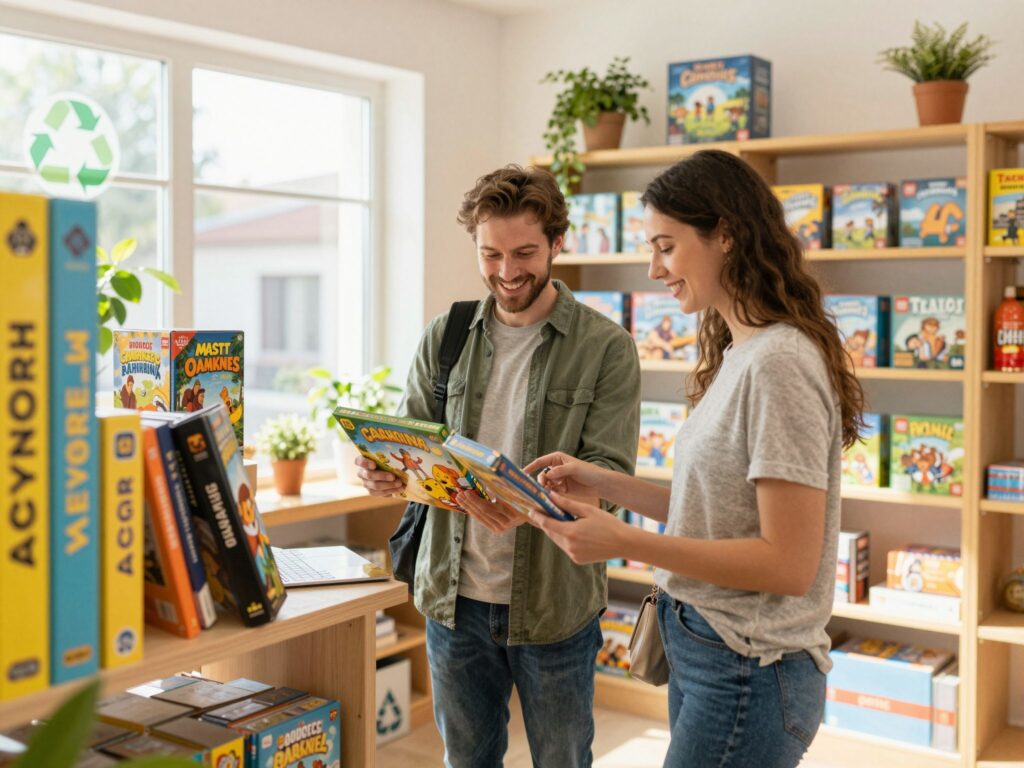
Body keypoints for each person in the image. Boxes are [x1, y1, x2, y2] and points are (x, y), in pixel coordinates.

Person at [526, 149, 865, 768]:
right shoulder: (743, 350)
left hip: (747, 666)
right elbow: (717, 510)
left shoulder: (778, 362)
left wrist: (624, 540)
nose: (653, 268)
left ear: (726, 237)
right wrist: (601, 481)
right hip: (708, 647)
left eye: (666, 246)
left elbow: (788, 563)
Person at [355, 164, 641, 768]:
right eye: (491, 254)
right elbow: (414, 443)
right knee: (466, 761)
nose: (507, 273)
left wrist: (528, 509)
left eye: (525, 253)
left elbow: (609, 486)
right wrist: (386, 472)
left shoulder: (606, 348)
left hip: (554, 607)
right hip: (453, 601)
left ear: (559, 243)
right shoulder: (447, 334)